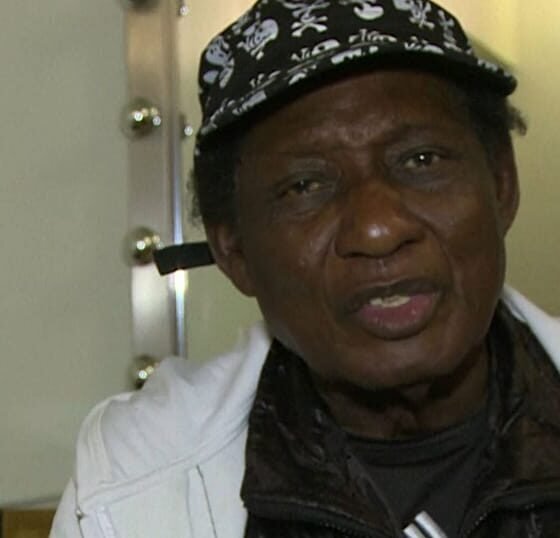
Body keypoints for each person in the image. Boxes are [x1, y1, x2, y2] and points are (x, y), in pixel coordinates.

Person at [51, 1, 560, 537]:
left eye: (421, 160)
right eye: (305, 186)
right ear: (234, 252)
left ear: (501, 185)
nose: (378, 228)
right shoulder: (133, 485)